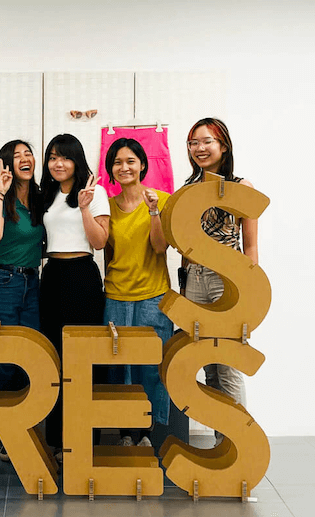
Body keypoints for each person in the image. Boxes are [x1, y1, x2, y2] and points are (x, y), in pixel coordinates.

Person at [181, 117, 258, 445]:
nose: (199, 148)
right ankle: (221, 444)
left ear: (223, 146)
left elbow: (250, 246)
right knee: (208, 365)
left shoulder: (242, 187)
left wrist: (250, 290)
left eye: (206, 141)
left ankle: (238, 445)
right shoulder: (188, 189)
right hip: (194, 279)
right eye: (193, 143)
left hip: (227, 279)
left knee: (228, 364)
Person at [39, 134, 109, 456]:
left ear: (76, 160)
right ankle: (58, 439)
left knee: (83, 357)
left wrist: (84, 208)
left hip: (82, 275)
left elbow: (99, 242)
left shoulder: (95, 193)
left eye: (65, 157)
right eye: (53, 157)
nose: (58, 163)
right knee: (54, 357)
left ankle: (86, 439)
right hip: (52, 274)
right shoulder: (47, 193)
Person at [103, 137, 174, 448]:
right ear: (111, 169)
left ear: (143, 164)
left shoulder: (162, 200)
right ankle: (125, 433)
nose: (124, 167)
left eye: (130, 161)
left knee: (151, 368)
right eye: (117, 162)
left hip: (153, 296)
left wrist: (154, 211)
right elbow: (107, 252)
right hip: (116, 296)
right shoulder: (107, 207)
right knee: (119, 368)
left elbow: (160, 247)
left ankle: (146, 432)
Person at [0, 140, 45, 461]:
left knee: (30, 355)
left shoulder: (40, 197)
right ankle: (1, 432)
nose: (25, 158)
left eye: (28, 153)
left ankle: (21, 424)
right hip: (3, 281)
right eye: (17, 155)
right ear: (6, 164)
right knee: (4, 357)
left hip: (33, 282)